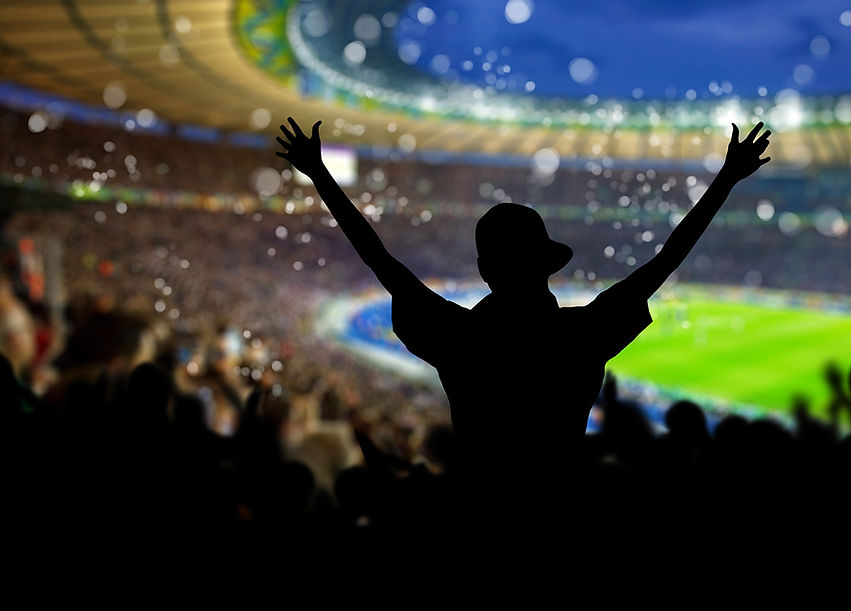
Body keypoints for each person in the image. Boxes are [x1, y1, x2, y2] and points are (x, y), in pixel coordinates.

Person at [276, 118, 770, 483]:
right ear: (548, 266)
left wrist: (321, 175)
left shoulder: (463, 338)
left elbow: (382, 263)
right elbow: (663, 263)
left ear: (487, 271)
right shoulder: (579, 335)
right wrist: (725, 180)